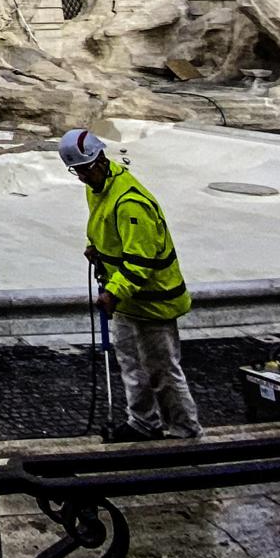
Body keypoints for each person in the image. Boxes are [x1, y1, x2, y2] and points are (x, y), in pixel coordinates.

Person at [59, 129, 200, 442]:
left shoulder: (130, 202)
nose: (81, 176)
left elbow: (142, 261)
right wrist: (94, 247)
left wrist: (113, 292)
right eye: (77, 171)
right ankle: (143, 423)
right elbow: (103, 228)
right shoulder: (97, 188)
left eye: (84, 169)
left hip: (153, 301)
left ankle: (185, 432)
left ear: (99, 160)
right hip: (127, 300)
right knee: (132, 365)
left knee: (162, 371)